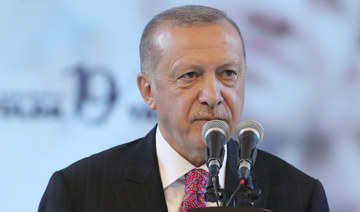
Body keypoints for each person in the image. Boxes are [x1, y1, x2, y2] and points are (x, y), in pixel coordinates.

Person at [39, 5, 329, 212]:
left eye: (228, 73)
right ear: (148, 90)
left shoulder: (300, 195)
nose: (213, 95)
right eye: (190, 75)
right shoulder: (78, 192)